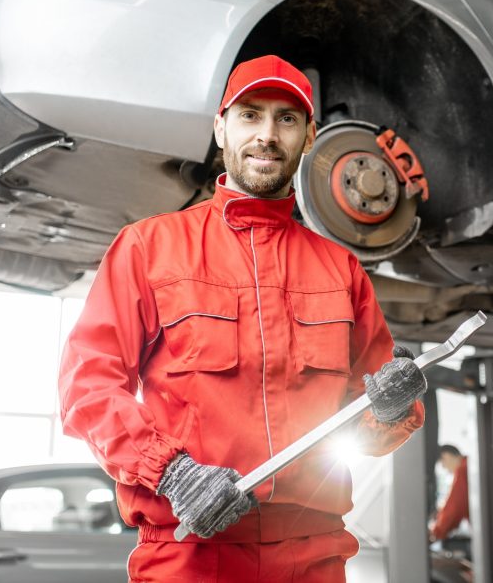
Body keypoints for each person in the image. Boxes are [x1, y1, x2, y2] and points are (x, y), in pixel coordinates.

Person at [58, 54, 428, 582]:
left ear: (309, 136)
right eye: (250, 115)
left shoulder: (341, 270)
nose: (267, 135)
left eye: (287, 119)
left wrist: (391, 410)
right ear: (221, 127)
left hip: (315, 557)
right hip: (190, 554)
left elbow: (366, 422)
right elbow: (87, 388)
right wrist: (171, 474)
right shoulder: (148, 248)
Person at [430, 444, 470, 544]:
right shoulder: (470, 465)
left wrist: (436, 532)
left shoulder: (462, 470)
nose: (445, 469)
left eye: (442, 464)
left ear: (446, 456)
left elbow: (455, 506)